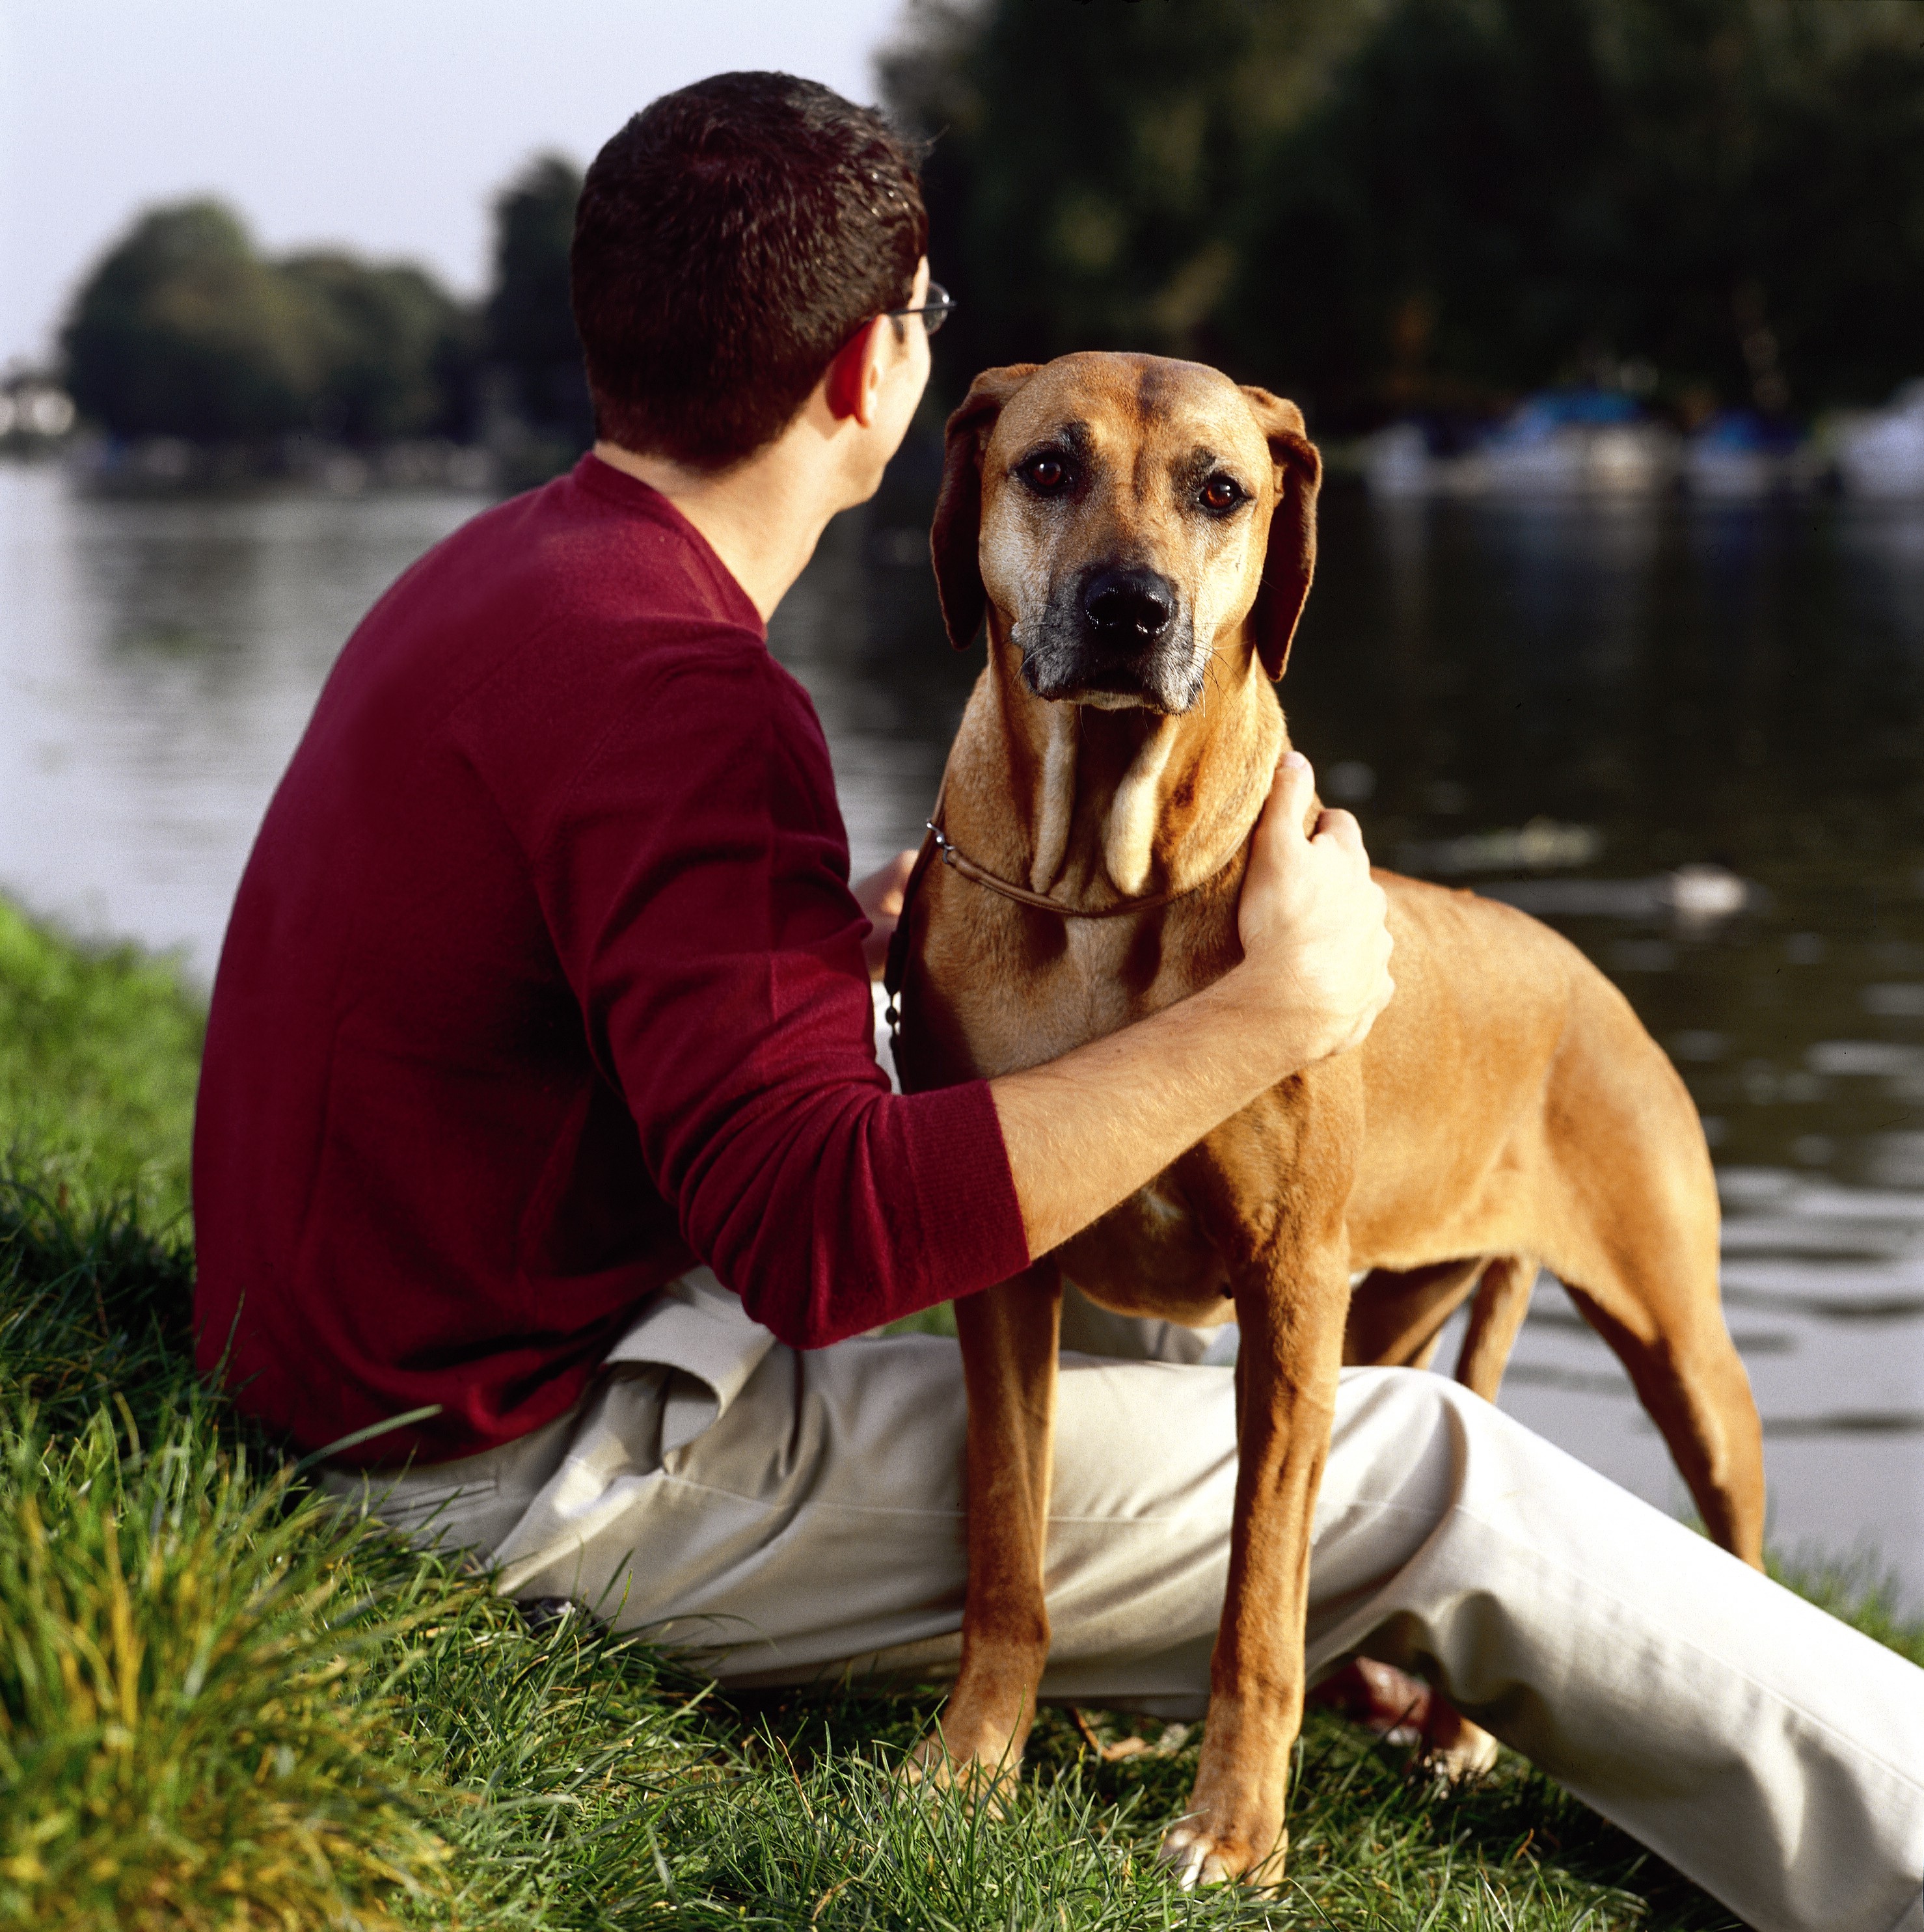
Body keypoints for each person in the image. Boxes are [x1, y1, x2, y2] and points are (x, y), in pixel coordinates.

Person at [193, 72, 1924, 1932]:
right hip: (512, 1472)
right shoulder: (692, 696)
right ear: (877, 374)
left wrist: (815, 950)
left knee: (1170, 1354)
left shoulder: (503, 579)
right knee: (1428, 1466)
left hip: (354, 1384)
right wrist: (1278, 1009)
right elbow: (823, 1243)